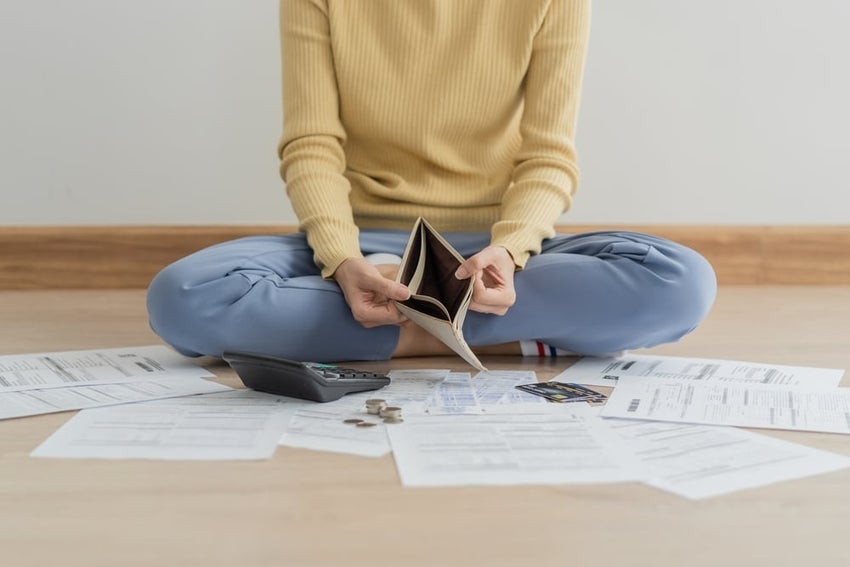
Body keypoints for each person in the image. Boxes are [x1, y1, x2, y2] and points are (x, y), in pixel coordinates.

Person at [146, 0, 717, 363]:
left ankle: (399, 330)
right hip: (363, 247)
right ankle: (479, 331)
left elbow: (549, 156)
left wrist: (510, 253)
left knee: (681, 282)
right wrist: (344, 261)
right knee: (182, 298)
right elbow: (312, 147)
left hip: (491, 251)